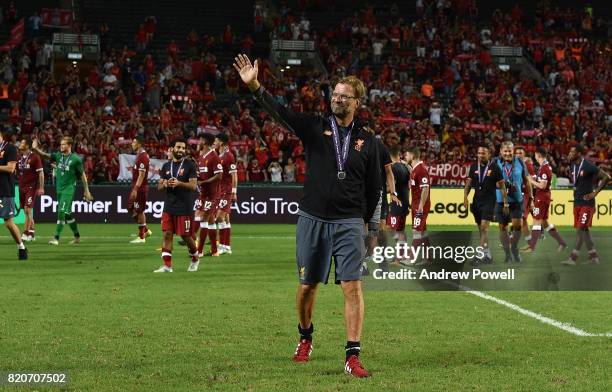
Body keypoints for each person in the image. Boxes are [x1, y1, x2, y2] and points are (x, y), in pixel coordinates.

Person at [234, 54, 380, 378]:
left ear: (357, 102)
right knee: (307, 287)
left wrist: (371, 230)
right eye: (335, 94)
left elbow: (374, 190)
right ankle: (305, 336)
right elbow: (280, 113)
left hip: (349, 222)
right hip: (312, 218)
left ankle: (352, 355)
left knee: (353, 287)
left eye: (344, 96)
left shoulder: (368, 142)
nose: (337, 99)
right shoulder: (315, 127)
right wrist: (255, 86)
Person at [32, 136, 93, 245]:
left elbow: (83, 175)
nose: (61, 146)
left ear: (69, 145)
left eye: (64, 144)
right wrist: (35, 149)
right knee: (67, 214)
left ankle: (56, 238)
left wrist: (86, 190)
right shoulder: (58, 156)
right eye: (61, 144)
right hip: (59, 189)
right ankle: (77, 237)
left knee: (61, 212)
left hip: (68, 189)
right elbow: (45, 156)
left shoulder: (76, 159)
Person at [154, 139, 200, 272]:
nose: (181, 150)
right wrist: (165, 184)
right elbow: (159, 187)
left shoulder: (190, 165)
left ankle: (195, 257)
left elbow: (193, 185)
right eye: (178, 147)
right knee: (167, 234)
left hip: (184, 206)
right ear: (172, 149)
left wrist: (179, 183)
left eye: (183, 148)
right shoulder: (166, 166)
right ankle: (167, 266)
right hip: (169, 206)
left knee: (186, 236)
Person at [561, 145, 610, 265]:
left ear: (579, 153)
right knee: (585, 231)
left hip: (587, 203)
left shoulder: (588, 166)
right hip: (577, 202)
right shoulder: (572, 166)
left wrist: (595, 192)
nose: (570, 154)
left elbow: (606, 177)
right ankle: (594, 257)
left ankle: (573, 258)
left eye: (572, 152)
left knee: (580, 229)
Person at [464, 145, 506, 264]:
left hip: (489, 201)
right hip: (477, 201)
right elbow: (468, 184)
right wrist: (465, 198)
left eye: (483, 153)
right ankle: (488, 255)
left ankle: (479, 255)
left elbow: (502, 187)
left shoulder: (495, 168)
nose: (480, 155)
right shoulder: (473, 167)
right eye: (479, 153)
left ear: (489, 154)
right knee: (481, 229)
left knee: (484, 227)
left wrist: (506, 203)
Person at [495, 141, 533, 263]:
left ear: (513, 151)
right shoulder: (495, 162)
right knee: (503, 227)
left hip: (516, 200)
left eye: (509, 151)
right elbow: (489, 181)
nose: (507, 153)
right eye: (505, 151)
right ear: (501, 151)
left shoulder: (520, 162)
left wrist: (531, 198)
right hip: (500, 200)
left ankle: (515, 248)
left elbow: (526, 181)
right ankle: (508, 254)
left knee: (518, 226)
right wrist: (499, 184)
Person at [524, 148, 566, 252]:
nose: (534, 157)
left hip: (541, 197)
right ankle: (562, 243)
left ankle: (532, 247)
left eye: (535, 155)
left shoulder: (544, 168)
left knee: (536, 220)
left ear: (538, 155)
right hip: (543, 197)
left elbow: (542, 186)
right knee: (544, 222)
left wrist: (530, 181)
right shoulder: (544, 167)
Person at [0, 128, 27, 260]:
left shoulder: (10, 148)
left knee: (9, 222)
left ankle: (21, 246)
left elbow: (11, 168)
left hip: (5, 190)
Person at [194, 133, 222, 257]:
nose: (197, 142)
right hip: (203, 194)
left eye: (199, 140)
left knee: (204, 218)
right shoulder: (200, 157)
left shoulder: (213, 156)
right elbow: (201, 175)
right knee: (208, 220)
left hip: (213, 195)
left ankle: (199, 251)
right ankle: (214, 250)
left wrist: (204, 181)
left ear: (204, 142)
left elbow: (219, 175)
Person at [404, 146, 431, 264]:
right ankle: (428, 257)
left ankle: (411, 258)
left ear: (412, 155)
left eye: (407, 154)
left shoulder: (421, 170)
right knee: (423, 231)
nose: (405, 156)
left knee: (416, 231)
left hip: (420, 206)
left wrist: (420, 206)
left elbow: (425, 188)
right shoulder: (415, 169)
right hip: (416, 204)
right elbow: (413, 173)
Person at [214, 133, 237, 255]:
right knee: (226, 219)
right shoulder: (220, 155)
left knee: (219, 217)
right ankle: (227, 246)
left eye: (216, 141)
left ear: (221, 142)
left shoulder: (229, 156)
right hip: (220, 190)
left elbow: (234, 174)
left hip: (226, 191)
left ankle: (222, 246)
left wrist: (234, 192)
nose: (214, 143)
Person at [17, 138, 44, 242]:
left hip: (31, 187)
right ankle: (32, 232)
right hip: (21, 187)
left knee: (28, 209)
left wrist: (41, 187)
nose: (20, 144)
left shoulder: (35, 157)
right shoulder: (18, 157)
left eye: (22, 142)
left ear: (27, 146)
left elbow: (41, 173)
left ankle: (25, 232)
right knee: (26, 211)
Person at [386, 145, 409, 257]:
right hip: (404, 203)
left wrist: (382, 189)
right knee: (400, 230)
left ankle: (402, 252)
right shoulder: (405, 167)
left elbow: (392, 186)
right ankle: (402, 254)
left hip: (397, 204)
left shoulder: (393, 168)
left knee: (390, 228)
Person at [128, 136, 153, 243]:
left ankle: (141, 237)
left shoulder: (143, 157)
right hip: (137, 187)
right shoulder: (139, 156)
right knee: (130, 207)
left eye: (133, 142)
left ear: (139, 144)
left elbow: (141, 175)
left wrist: (136, 189)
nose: (132, 144)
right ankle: (146, 230)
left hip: (140, 188)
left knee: (139, 211)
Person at [514, 146, 535, 247]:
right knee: (523, 220)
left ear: (524, 155)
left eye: (520, 153)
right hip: (515, 195)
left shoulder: (528, 165)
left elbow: (533, 182)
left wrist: (532, 199)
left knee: (521, 218)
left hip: (525, 195)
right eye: (517, 153)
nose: (518, 155)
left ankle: (513, 241)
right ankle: (530, 242)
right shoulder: (512, 165)